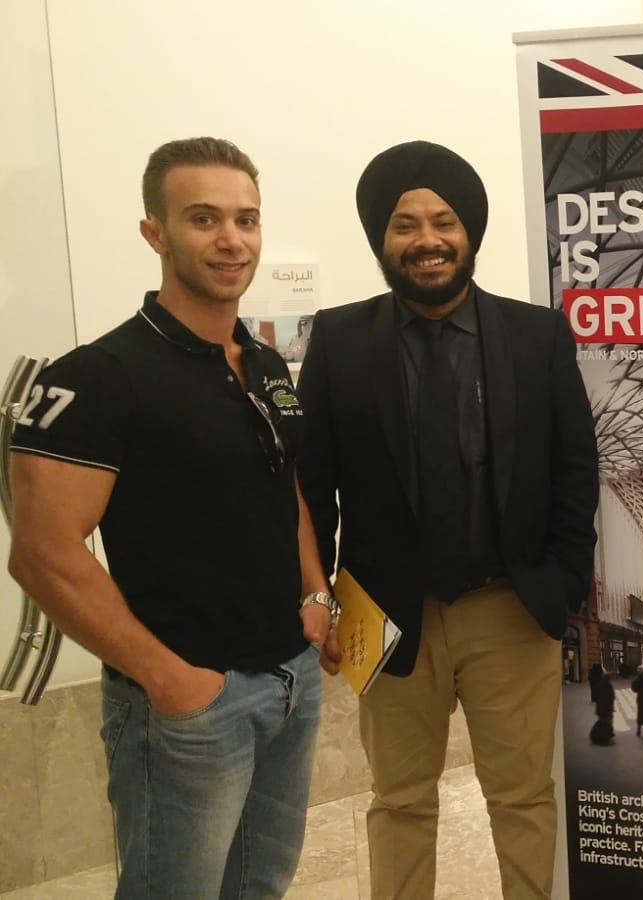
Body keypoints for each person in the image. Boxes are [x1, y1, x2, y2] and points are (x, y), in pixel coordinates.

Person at [5, 137, 332, 899]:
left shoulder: (264, 364)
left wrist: (315, 590)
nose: (232, 240)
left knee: (261, 884)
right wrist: (170, 680)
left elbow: (282, 484)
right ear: (155, 232)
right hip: (190, 706)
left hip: (289, 680)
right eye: (203, 218)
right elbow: (43, 553)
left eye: (246, 219)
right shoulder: (100, 377)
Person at [296, 140, 600, 900]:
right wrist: (318, 595)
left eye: (444, 222)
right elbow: (311, 485)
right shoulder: (338, 341)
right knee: (399, 801)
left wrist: (563, 584)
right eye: (404, 225)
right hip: (384, 613)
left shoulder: (537, 335)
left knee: (523, 797)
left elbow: (574, 469)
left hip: (511, 610)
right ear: (381, 238)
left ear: (470, 232)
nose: (426, 240)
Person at [588, 663, 614, 746]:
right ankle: (603, 738)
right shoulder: (608, 686)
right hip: (606, 708)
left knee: (602, 721)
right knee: (606, 722)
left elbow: (596, 695)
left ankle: (601, 736)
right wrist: (612, 707)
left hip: (600, 707)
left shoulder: (599, 684)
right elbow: (611, 697)